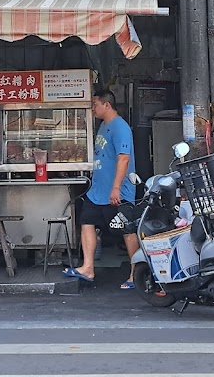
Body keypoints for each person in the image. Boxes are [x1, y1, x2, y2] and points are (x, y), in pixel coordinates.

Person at [63, 88, 139, 285]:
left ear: (107, 105)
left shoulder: (120, 127)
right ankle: (88, 268)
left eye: (95, 104)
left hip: (116, 192)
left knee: (127, 230)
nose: (92, 108)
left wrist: (116, 188)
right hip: (98, 191)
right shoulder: (103, 126)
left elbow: (123, 159)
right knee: (86, 221)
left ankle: (137, 274)